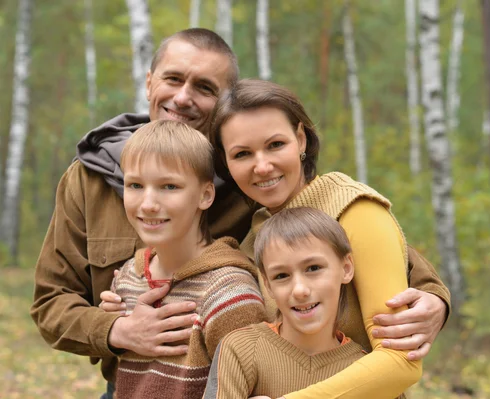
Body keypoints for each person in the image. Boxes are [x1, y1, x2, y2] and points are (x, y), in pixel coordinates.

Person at [30, 27, 448, 398]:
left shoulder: (250, 183)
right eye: (173, 79)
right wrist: (117, 329)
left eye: (205, 88)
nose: (182, 97)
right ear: (149, 81)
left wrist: (434, 298)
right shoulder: (89, 179)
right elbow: (51, 300)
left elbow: (367, 236)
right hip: (134, 383)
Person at [208, 78, 427, 397]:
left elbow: (401, 360)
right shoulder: (257, 229)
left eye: (275, 145)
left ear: (300, 139)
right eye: (242, 154)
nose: (262, 166)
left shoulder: (356, 211)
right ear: (226, 163)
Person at [110, 119, 266, 398]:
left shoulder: (229, 292)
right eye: (135, 185)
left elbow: (253, 388)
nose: (147, 203)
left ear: (205, 195)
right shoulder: (127, 278)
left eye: (169, 186)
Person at [204, 207, 415, 399]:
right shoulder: (241, 350)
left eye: (313, 268)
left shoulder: (368, 371)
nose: (300, 290)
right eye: (281, 276)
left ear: (346, 268)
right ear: (268, 285)